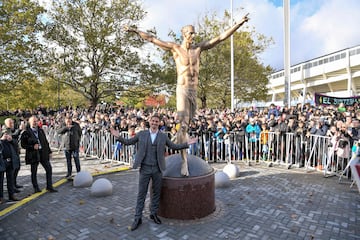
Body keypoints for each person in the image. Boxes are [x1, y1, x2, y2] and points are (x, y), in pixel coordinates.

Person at [126, 13, 249, 175]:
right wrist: (135, 30)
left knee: (186, 126)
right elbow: (151, 39)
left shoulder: (198, 49)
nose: (193, 35)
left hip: (193, 91)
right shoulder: (175, 48)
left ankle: (174, 142)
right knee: (183, 125)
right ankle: (184, 161)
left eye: (194, 32)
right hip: (182, 89)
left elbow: (220, 38)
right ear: (184, 34)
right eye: (190, 32)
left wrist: (239, 23)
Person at [109, 114, 197, 231]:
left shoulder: (162, 136)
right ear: (149, 122)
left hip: (157, 168)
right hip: (145, 168)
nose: (154, 123)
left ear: (159, 123)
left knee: (156, 192)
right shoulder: (142, 134)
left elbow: (174, 146)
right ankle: (137, 218)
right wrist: (118, 137)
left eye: (157, 121)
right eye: (153, 121)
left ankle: (153, 213)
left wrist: (187, 144)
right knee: (142, 193)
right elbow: (128, 142)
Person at [20, 116, 58, 193]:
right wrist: (32, 147)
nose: (35, 123)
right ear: (30, 122)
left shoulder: (40, 130)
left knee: (49, 169)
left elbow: (45, 142)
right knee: (34, 171)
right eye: (33, 121)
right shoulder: (26, 132)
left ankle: (49, 186)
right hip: (33, 154)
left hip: (43, 153)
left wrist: (49, 151)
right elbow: (23, 145)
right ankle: (36, 187)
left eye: (36, 121)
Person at [3, 118, 23, 190]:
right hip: (10, 154)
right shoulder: (5, 130)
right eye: (10, 123)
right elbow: (12, 137)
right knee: (12, 170)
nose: (12, 124)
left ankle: (14, 184)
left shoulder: (11, 130)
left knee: (17, 168)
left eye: (12, 123)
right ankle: (12, 187)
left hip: (15, 152)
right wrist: (19, 130)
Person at [0, 131, 20, 203]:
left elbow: (16, 144)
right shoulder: (1, 140)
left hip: (10, 162)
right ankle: (1, 197)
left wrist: (11, 140)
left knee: (10, 179)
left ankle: (11, 195)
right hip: (2, 162)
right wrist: (2, 139)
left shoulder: (9, 140)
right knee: (0, 181)